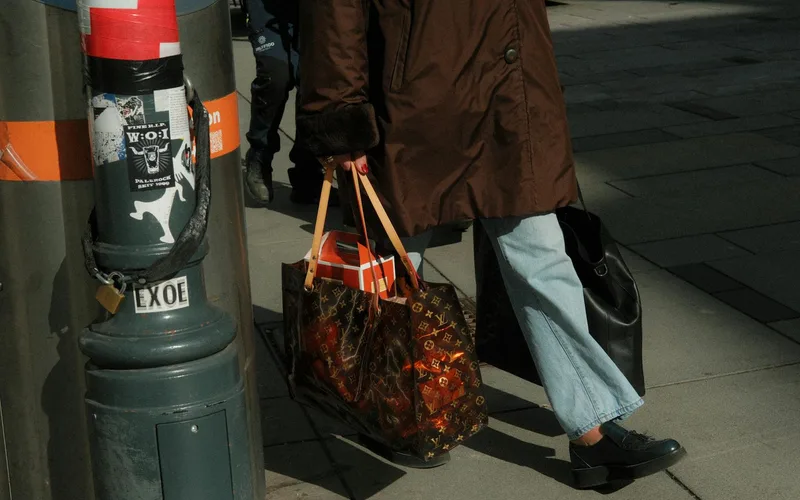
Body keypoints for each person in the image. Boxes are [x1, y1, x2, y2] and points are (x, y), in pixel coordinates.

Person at [294, 0, 687, 488]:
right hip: (420, 101)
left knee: (542, 259)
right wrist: (337, 112)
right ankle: (383, 408)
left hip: (508, 97)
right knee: (393, 265)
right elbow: (334, 11)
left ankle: (593, 430)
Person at [241, 0, 335, 205]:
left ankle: (308, 174)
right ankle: (259, 155)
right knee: (276, 76)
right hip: (267, 9)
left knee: (314, 79)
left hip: (313, 9)